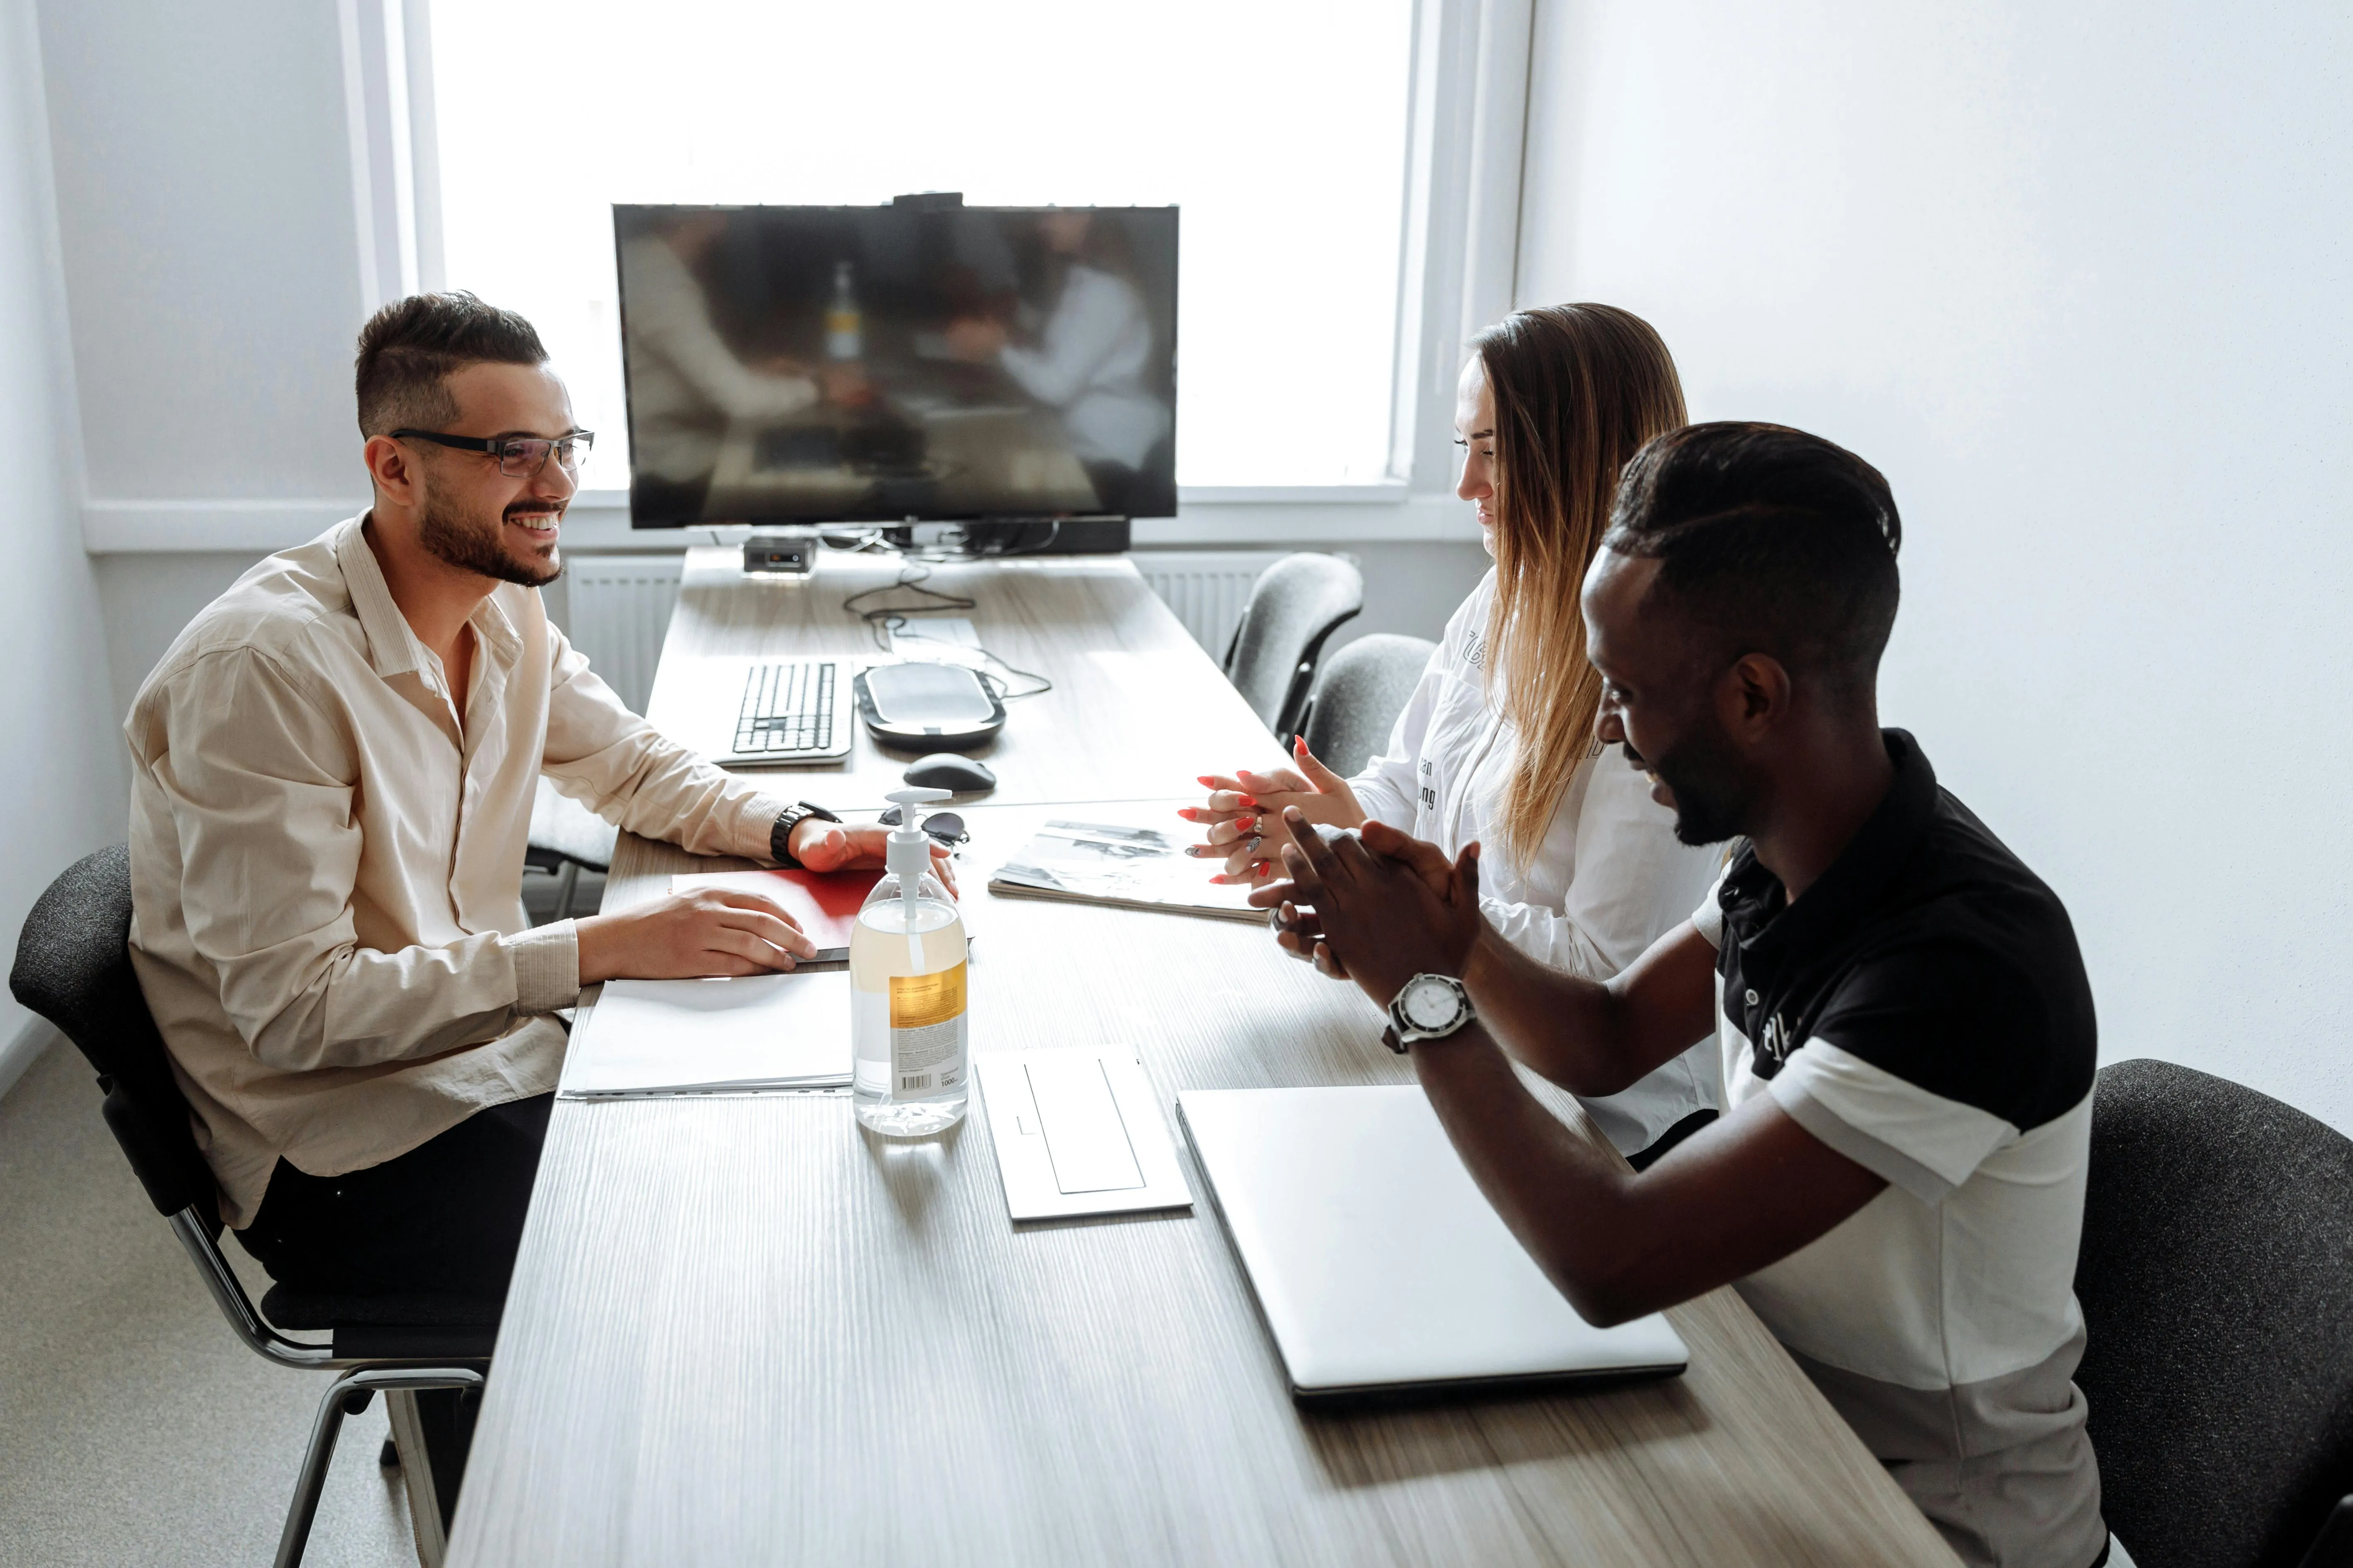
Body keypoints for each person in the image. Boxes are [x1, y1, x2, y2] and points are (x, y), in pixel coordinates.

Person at [123, 291, 947, 1491]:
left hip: (486, 1049)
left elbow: (627, 762)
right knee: (705, 1224)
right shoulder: (264, 668)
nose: (553, 482)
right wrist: (599, 948)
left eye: (564, 446)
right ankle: (542, 1495)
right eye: (511, 451)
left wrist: (797, 827)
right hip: (340, 1139)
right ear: (394, 467)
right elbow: (295, 1013)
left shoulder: (499, 602)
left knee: (748, 1116)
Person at [1255, 422, 2107, 1568]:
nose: (1604, 726)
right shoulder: (1786, 852)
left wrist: (1420, 992)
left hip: (1926, 1521)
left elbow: (1613, 1257)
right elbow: (1603, 1038)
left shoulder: (1962, 969)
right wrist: (1445, 942)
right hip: (1757, 1403)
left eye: (1622, 692)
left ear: (1751, 697)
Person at [1188, 305, 1724, 1167]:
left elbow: (1604, 980)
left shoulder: (1655, 686)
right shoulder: (1502, 596)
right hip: (1461, 1035)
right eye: (1460, 448)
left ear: (1582, 462)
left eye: (1495, 454)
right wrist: (1338, 821)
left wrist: (1403, 910)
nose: (1467, 488)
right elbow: (1411, 779)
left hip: (1605, 1131)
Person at [944, 210, 1170, 517]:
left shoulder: (1103, 292)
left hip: (1111, 455)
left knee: (973, 475)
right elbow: (1056, 363)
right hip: (1083, 440)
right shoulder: (1083, 280)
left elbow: (1055, 388)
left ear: (1087, 218)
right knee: (973, 461)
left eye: (1055, 215)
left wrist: (998, 346)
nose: (1043, 224)